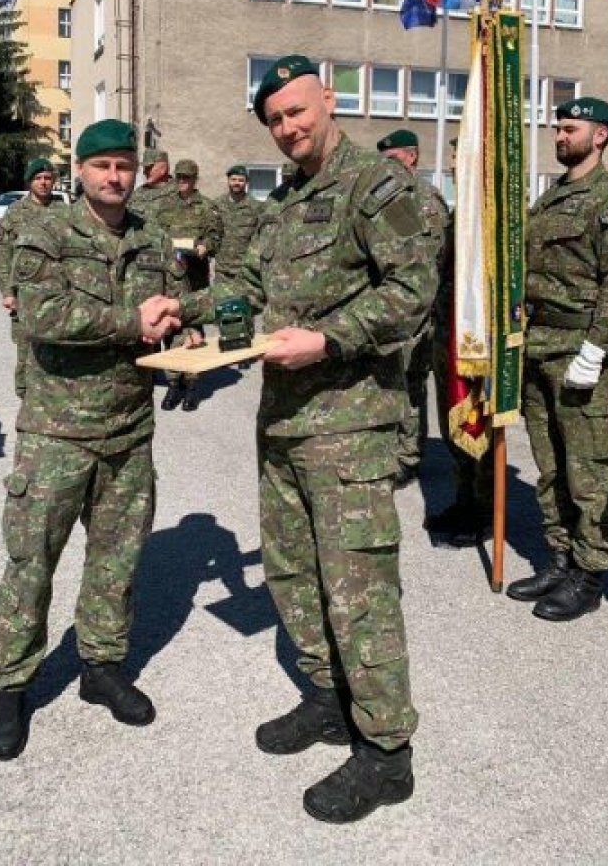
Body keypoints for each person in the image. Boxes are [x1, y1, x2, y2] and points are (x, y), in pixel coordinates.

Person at [146, 55, 436, 823]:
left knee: (359, 592)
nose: (287, 127)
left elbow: (412, 292)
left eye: (297, 111)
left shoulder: (378, 187)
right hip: (281, 421)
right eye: (274, 119)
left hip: (349, 426)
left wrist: (330, 339)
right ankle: (329, 699)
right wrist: (186, 310)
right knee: (292, 574)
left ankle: (387, 753)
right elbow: (249, 288)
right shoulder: (285, 201)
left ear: (328, 100)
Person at [0, 119, 194, 760]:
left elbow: (177, 300)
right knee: (31, 563)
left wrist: (183, 327)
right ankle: (11, 684)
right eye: (102, 165)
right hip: (58, 432)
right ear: (80, 171)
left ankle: (101, 666)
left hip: (128, 430)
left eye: (124, 165)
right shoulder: (45, 232)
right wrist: (133, 322)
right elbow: (42, 315)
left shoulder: (152, 236)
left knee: (117, 559)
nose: (115, 176)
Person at [506, 98, 608, 621]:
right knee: (549, 467)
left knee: (588, 470)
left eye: (571, 128)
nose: (560, 136)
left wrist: (594, 349)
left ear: (601, 135)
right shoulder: (550, 200)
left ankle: (589, 575)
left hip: (582, 351)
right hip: (539, 347)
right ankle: (560, 559)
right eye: (558, 128)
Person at [424, 138, 494, 547]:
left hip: (476, 339)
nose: (452, 164)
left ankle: (483, 512)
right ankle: (463, 499)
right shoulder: (458, 212)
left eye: (457, 156)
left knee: (477, 424)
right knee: (453, 423)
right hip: (446, 333)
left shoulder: (490, 216)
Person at [376, 129, 449, 488]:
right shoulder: (382, 195)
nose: (385, 165)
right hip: (382, 308)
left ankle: (407, 455)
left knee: (409, 384)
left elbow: (431, 257)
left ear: (412, 156)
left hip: (416, 310)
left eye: (392, 158)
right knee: (384, 384)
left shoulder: (424, 198)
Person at [154, 158, 223, 412]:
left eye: (187, 178)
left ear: (195, 179)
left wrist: (206, 247)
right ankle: (174, 383)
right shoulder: (164, 205)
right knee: (170, 327)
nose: (182, 182)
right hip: (171, 276)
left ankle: (192, 384)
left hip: (194, 276)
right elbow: (155, 234)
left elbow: (216, 236)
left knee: (193, 328)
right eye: (179, 177)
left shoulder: (207, 207)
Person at [0, 158, 61, 398]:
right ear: (30, 182)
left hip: (58, 294)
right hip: (25, 295)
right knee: (26, 350)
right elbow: (3, 257)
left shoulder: (64, 211)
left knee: (59, 348)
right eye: (38, 178)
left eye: (47, 178)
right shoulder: (15, 213)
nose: (43, 183)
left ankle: (54, 398)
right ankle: (26, 398)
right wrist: (7, 292)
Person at [213, 164, 262, 290]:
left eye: (241, 180)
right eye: (233, 179)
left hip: (245, 269)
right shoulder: (217, 204)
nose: (237, 183)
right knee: (220, 300)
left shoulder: (256, 207)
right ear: (228, 180)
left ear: (246, 182)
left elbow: (260, 237)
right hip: (222, 269)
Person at [129, 148, 174, 222]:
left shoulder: (180, 193)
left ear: (163, 168)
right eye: (144, 168)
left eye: (148, 168)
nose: (144, 172)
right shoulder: (138, 193)